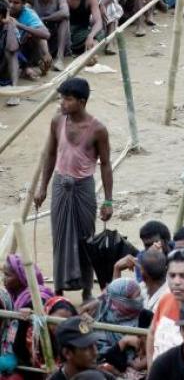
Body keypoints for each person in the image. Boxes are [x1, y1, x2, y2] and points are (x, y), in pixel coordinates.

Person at [32, 77, 112, 301]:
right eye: (61, 98)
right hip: (60, 185)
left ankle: (87, 290)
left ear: (82, 101)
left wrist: (108, 200)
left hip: (84, 188)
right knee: (59, 238)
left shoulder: (98, 130)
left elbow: (105, 164)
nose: (62, 103)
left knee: (86, 239)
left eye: (67, 99)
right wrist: (42, 188)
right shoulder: (57, 121)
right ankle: (58, 290)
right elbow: (50, 154)